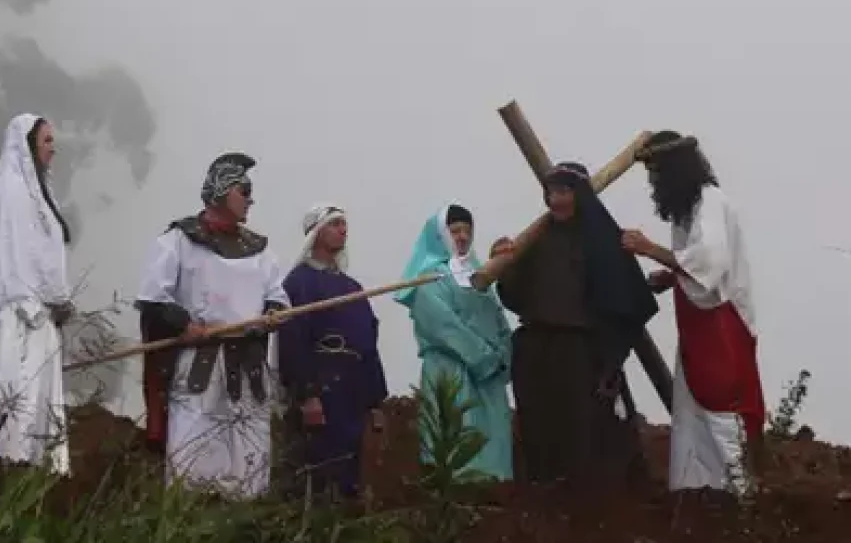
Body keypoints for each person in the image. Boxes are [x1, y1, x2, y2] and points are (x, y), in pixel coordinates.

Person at [135, 152, 290, 499]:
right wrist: (183, 324)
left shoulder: (259, 250)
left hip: (249, 369)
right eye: (244, 190)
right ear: (221, 190)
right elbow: (152, 298)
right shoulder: (178, 241)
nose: (251, 198)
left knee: (249, 465)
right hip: (200, 367)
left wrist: (273, 312)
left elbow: (277, 294)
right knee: (193, 460)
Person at [492, 161, 655, 488]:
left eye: (564, 191)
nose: (557, 200)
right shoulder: (535, 239)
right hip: (535, 346)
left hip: (580, 351)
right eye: (551, 192)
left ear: (580, 195)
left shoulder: (605, 242)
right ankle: (541, 495)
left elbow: (627, 301)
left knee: (580, 432)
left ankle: (582, 503)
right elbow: (513, 296)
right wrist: (505, 264)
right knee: (537, 425)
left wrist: (607, 357)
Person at [619, 131, 765, 494]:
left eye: (656, 174)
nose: (653, 183)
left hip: (721, 324)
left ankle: (737, 498)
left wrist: (650, 249)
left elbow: (710, 262)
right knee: (692, 413)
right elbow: (696, 263)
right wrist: (671, 276)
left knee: (720, 403)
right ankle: (697, 494)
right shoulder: (689, 210)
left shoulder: (710, 201)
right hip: (699, 322)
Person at [0, 114, 76, 474]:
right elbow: (24, 252)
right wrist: (55, 296)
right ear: (28, 144)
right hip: (22, 315)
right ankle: (14, 489)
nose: (53, 148)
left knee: (39, 410)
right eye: (47, 140)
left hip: (39, 315)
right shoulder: (15, 190)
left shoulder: (35, 191)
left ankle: (35, 489)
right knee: (22, 409)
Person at [277, 204, 389, 501]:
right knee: (320, 469)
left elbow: (369, 342)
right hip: (323, 386)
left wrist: (375, 401)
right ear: (316, 232)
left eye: (344, 224)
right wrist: (307, 394)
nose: (343, 229)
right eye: (335, 224)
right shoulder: (297, 283)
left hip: (354, 387)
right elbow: (293, 340)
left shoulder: (353, 287)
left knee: (352, 472)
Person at [397, 202, 514, 481]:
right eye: (455, 231)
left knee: (492, 448)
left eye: (467, 231)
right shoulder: (430, 278)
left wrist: (504, 357)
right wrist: (484, 357)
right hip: (451, 371)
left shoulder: (479, 276)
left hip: (487, 380)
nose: (462, 237)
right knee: (456, 445)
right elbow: (443, 327)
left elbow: (499, 322)